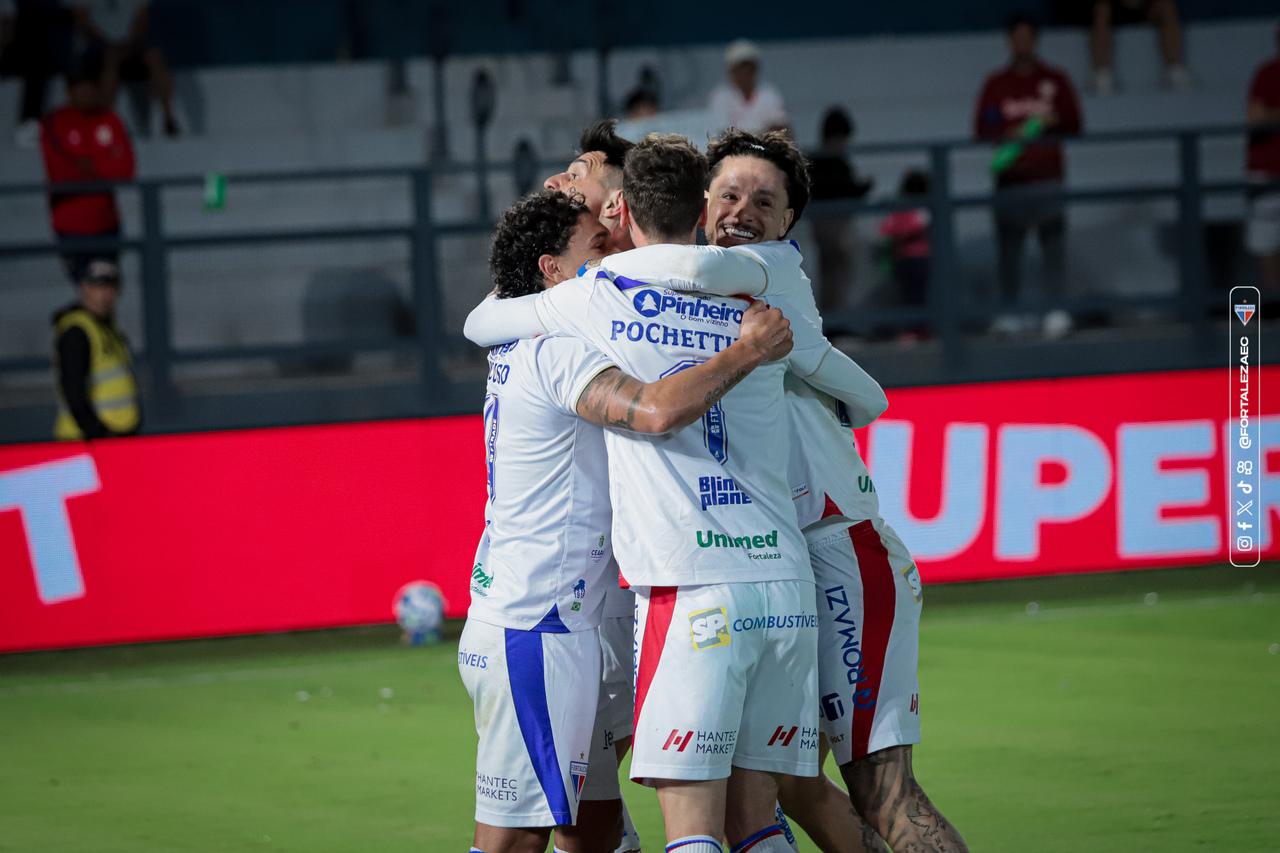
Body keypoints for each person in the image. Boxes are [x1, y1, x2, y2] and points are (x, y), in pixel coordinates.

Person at [463, 190, 794, 853]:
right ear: (551, 270)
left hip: (561, 618)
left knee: (593, 830)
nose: (613, 258)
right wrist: (745, 351)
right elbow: (652, 412)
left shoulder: (518, 328)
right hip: (539, 624)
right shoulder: (556, 349)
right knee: (514, 840)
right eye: (598, 247)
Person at [973, 13, 1082, 338]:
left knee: (1053, 248)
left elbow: (1075, 123)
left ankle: (1056, 311)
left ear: (1035, 40)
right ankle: (1010, 314)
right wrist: (1009, 131)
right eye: (1016, 37)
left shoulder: (1055, 79)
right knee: (1009, 252)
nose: (1022, 43)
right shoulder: (997, 84)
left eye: (1027, 37)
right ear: (1010, 41)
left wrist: (1050, 121)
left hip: (1048, 180)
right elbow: (982, 128)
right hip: (1010, 181)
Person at [39, 47, 136, 283]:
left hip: (107, 223)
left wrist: (88, 167)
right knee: (88, 291)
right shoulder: (54, 122)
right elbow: (61, 173)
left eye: (92, 85)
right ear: (70, 90)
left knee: (107, 292)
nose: (88, 92)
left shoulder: (110, 119)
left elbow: (126, 169)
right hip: (71, 226)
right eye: (82, 86)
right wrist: (103, 164)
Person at [51, 256, 140, 440]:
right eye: (98, 286)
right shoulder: (76, 331)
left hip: (115, 438)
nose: (106, 294)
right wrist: (99, 434)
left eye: (111, 287)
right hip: (85, 442)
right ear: (84, 288)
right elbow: (74, 393)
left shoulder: (107, 329)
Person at [808, 107, 873, 316]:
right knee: (839, 272)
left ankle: (832, 318)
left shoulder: (816, 160)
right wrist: (862, 188)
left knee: (830, 273)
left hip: (822, 224)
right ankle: (837, 318)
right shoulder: (833, 161)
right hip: (835, 224)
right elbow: (843, 188)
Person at [82, 0, 180, 137]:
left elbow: (142, 20)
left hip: (131, 46)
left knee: (154, 56)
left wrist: (128, 44)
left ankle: (168, 118)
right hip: (99, 48)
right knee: (111, 60)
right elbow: (82, 21)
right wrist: (105, 44)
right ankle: (105, 119)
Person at [0, 0, 74, 147]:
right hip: (22, 49)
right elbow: (7, 25)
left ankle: (32, 121)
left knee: (38, 62)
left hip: (54, 50)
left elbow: (77, 17)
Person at [1088, 0, 1189, 95]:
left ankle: (1175, 70)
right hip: (1113, 10)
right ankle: (1102, 74)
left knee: (1166, 6)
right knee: (1102, 8)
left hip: (1144, 9)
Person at [1246, 22, 1280, 305]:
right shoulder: (1267, 73)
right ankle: (1273, 306)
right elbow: (1255, 117)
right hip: (1266, 174)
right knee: (1265, 242)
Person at [876, 170, 932, 337]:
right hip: (920, 258)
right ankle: (918, 329)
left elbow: (887, 231)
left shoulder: (898, 209)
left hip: (901, 258)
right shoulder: (924, 208)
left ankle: (910, 329)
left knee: (907, 296)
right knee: (918, 296)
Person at [708, 39, 788, 133]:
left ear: (756, 69)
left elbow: (782, 128)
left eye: (749, 69)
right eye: (740, 69)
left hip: (765, 143)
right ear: (731, 71)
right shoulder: (720, 95)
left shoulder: (769, 93)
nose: (745, 74)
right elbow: (722, 132)